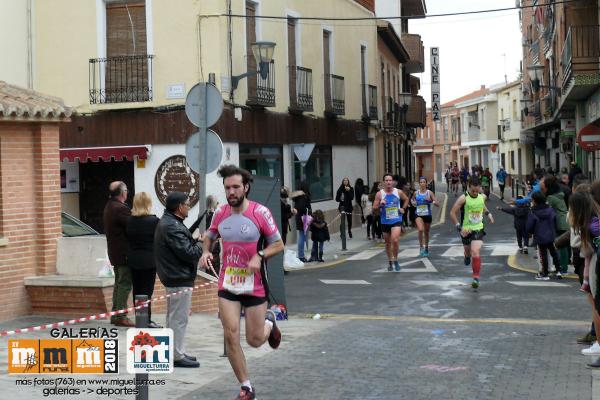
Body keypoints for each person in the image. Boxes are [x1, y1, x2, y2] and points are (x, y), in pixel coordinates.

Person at [200, 165, 285, 400]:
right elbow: (209, 236)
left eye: (236, 187)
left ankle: (270, 320)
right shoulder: (220, 213)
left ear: (245, 187)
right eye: (228, 188)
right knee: (230, 335)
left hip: (255, 284)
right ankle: (246, 387)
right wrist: (206, 251)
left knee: (255, 340)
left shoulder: (260, 213)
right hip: (228, 283)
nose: (231, 192)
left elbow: (278, 244)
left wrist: (260, 255)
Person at [154, 191, 201, 368]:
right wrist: (200, 245)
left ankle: (176, 351)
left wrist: (192, 240)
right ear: (180, 207)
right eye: (187, 204)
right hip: (178, 277)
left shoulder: (170, 222)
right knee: (178, 319)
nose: (188, 206)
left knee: (174, 318)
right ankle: (176, 355)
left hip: (176, 276)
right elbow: (188, 253)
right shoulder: (171, 225)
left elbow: (182, 246)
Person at [450, 177, 494, 289]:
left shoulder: (482, 196)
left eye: (477, 190)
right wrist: (459, 227)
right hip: (466, 229)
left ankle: (476, 278)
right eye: (472, 191)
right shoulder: (463, 198)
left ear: (479, 188)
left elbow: (482, 206)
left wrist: (488, 214)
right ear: (468, 187)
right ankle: (466, 255)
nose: (475, 193)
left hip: (478, 227)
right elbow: (452, 213)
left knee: (476, 251)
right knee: (468, 251)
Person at [126, 192, 161, 328]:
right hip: (149, 261)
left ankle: (140, 320)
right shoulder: (154, 221)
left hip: (133, 260)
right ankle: (147, 320)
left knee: (137, 291)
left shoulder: (129, 220)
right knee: (147, 291)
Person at [103, 181, 134, 327]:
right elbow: (133, 227)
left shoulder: (110, 206)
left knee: (119, 284)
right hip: (124, 253)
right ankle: (120, 315)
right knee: (124, 284)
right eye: (126, 190)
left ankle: (116, 314)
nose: (127, 192)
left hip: (115, 253)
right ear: (122, 193)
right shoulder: (120, 209)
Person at [373, 173, 410, 271]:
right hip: (385, 221)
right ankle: (390, 261)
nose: (389, 182)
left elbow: (406, 199)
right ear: (383, 182)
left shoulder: (398, 192)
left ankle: (396, 260)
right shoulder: (380, 194)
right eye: (387, 180)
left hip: (396, 219)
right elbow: (374, 209)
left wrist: (403, 208)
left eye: (390, 180)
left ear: (392, 182)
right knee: (388, 243)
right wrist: (381, 205)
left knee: (395, 240)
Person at [526, 191, 560, 280]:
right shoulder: (550, 209)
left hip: (540, 235)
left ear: (534, 201)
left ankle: (544, 273)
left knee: (543, 254)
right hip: (551, 234)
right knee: (553, 252)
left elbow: (530, 225)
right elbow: (555, 220)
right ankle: (558, 270)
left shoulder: (533, 212)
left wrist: (530, 232)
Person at [541, 174, 569, 276]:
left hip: (559, 222)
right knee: (564, 246)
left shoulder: (551, 197)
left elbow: (545, 210)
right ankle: (564, 267)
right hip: (565, 220)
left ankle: (560, 268)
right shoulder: (560, 193)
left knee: (557, 245)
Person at [411, 177, 439, 257]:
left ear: (426, 184)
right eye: (421, 182)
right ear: (419, 184)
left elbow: (437, 204)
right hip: (418, 214)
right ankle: (421, 247)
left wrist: (430, 200)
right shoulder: (416, 193)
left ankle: (426, 247)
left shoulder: (429, 193)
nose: (422, 183)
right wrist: (414, 203)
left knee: (426, 232)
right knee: (420, 229)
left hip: (427, 215)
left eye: (424, 182)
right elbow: (412, 201)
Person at [292, 182, 311, 262]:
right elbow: (302, 207)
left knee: (302, 236)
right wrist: (308, 210)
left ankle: (301, 255)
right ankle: (301, 256)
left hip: (300, 218)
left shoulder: (298, 196)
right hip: (303, 218)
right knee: (302, 237)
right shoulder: (303, 197)